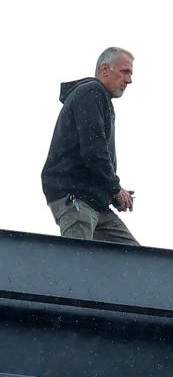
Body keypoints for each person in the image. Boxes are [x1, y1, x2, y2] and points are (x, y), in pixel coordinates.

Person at [41, 47, 139, 245]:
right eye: (124, 72)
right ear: (105, 69)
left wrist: (113, 193)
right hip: (75, 196)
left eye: (130, 74)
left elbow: (94, 154)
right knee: (78, 262)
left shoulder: (100, 99)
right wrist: (114, 188)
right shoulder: (91, 92)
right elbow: (93, 150)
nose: (129, 80)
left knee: (135, 260)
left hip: (95, 200)